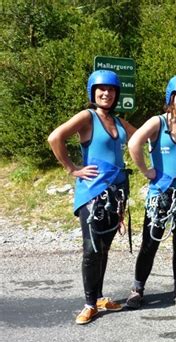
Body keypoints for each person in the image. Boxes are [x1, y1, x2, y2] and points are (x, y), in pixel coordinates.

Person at [48, 70, 136, 325]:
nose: (106, 93)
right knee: (91, 249)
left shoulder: (118, 121)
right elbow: (55, 138)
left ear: (117, 94)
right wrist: (72, 169)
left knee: (104, 247)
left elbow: (143, 135)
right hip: (93, 194)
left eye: (111, 90)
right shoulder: (87, 117)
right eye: (101, 89)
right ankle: (89, 304)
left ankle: (98, 298)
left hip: (116, 193)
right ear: (93, 92)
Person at [125, 75, 176, 310]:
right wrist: (146, 170)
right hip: (161, 193)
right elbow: (134, 143)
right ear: (171, 98)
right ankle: (137, 289)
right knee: (150, 242)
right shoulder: (157, 123)